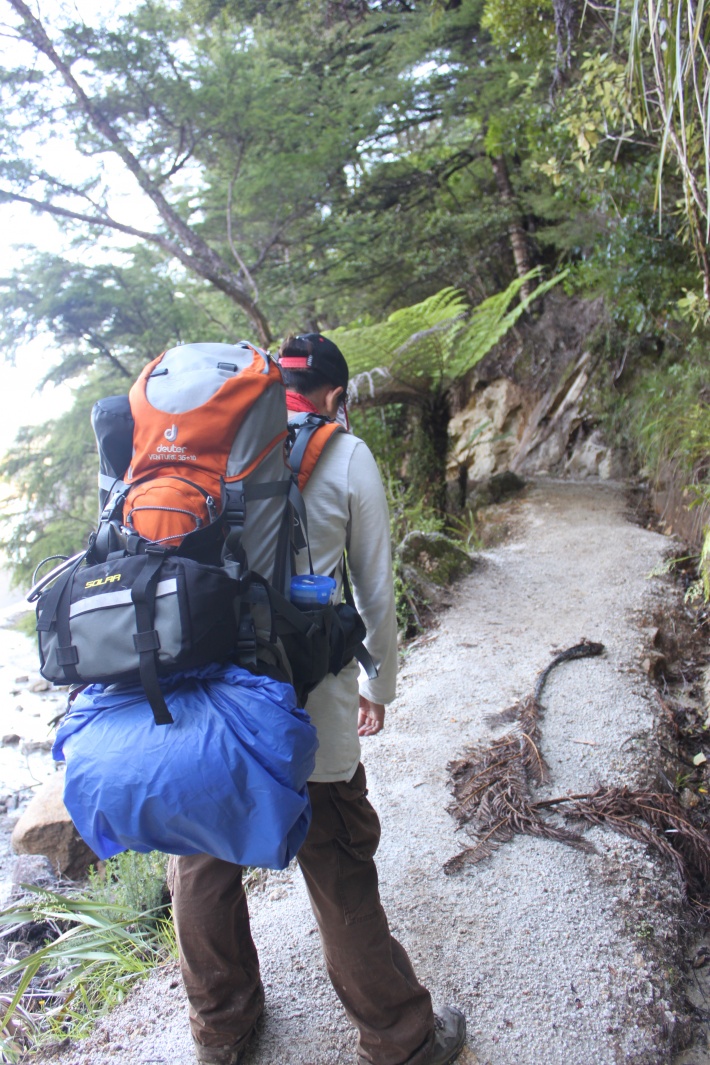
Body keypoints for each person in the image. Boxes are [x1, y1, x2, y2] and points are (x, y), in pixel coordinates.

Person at [168, 333, 467, 1065]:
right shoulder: (345, 452)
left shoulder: (208, 442)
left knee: (203, 859)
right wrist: (379, 687)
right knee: (335, 858)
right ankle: (400, 1037)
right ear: (335, 394)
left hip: (205, 699)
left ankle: (223, 1028)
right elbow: (374, 589)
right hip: (307, 702)